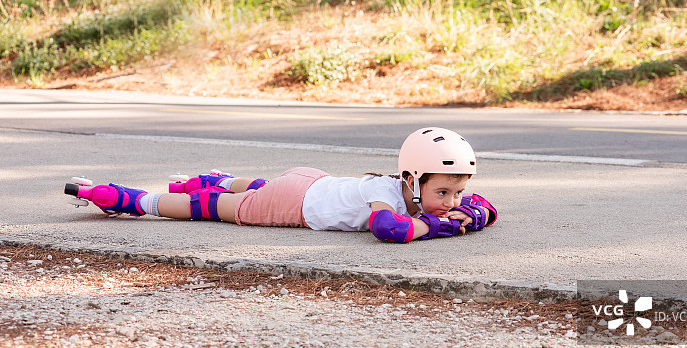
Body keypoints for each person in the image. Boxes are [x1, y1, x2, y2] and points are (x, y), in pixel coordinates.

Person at [64, 127, 497, 243]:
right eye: (443, 193)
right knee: (216, 210)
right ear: (411, 180)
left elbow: (483, 204)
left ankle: (209, 179)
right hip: (292, 205)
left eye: (456, 192)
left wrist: (471, 211)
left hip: (309, 180)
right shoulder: (385, 196)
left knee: (256, 189)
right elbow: (390, 230)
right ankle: (132, 200)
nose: (452, 201)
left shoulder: (405, 187)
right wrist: (441, 226)